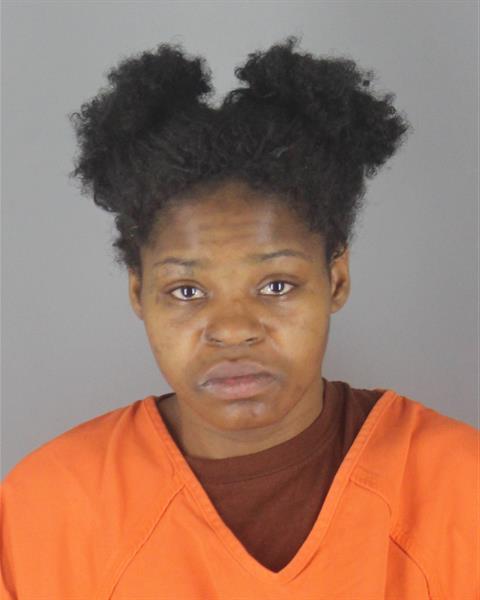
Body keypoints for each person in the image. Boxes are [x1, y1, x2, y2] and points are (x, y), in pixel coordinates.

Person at [1, 36, 477, 599]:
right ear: (138, 292)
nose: (232, 329)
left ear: (336, 280)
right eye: (186, 290)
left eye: (276, 285)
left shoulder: (460, 488)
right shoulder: (48, 507)